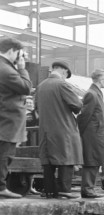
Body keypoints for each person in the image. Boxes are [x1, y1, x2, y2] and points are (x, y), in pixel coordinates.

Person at [35, 61, 83, 199]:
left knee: (48, 159)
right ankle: (64, 189)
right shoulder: (62, 84)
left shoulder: (40, 86)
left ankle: (49, 190)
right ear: (64, 71)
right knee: (67, 157)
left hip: (45, 130)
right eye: (66, 75)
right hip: (64, 129)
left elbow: (36, 108)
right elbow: (77, 105)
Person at [0, 38, 32, 199]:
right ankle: (1, 187)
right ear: (12, 50)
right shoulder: (6, 69)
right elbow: (26, 87)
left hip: (5, 118)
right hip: (8, 120)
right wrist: (22, 68)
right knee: (5, 154)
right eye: (20, 53)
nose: (21, 57)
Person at [78, 68, 104, 198]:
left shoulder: (96, 93)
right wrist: (82, 133)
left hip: (96, 134)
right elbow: (84, 116)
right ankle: (87, 189)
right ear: (100, 80)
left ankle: (89, 188)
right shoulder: (92, 94)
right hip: (92, 135)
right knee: (91, 161)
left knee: (95, 161)